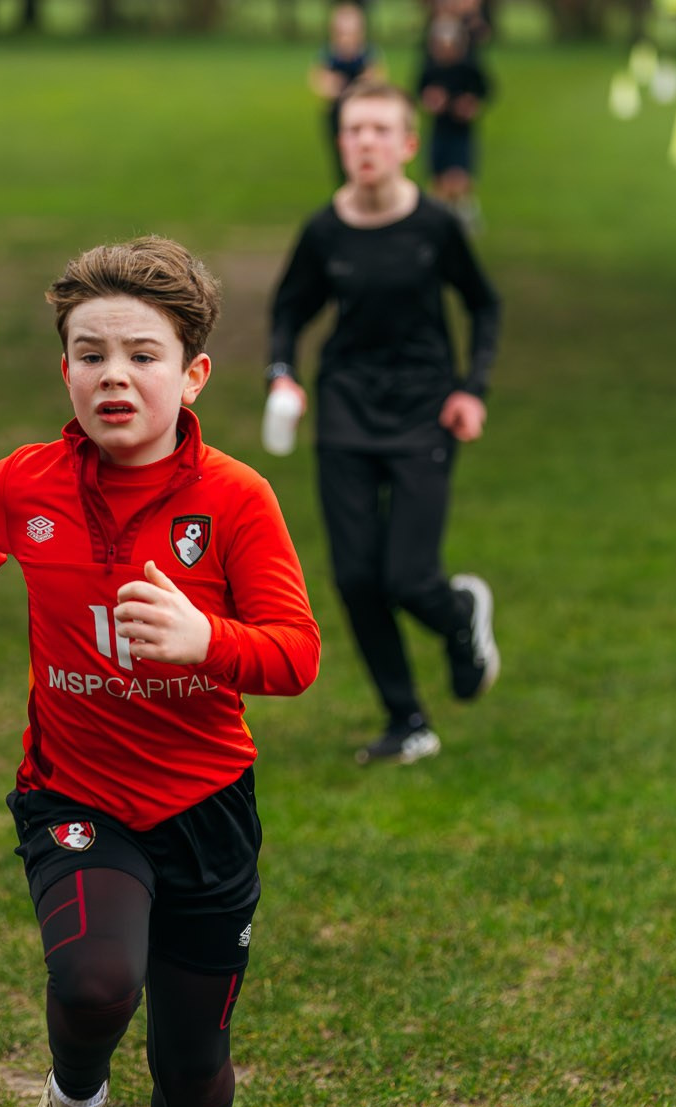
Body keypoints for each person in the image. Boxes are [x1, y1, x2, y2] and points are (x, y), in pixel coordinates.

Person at [0, 237, 320, 1107]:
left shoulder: (234, 500)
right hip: (74, 793)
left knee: (192, 1065)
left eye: (141, 354)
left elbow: (293, 654)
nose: (112, 375)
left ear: (190, 374)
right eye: (88, 353)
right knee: (95, 984)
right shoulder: (25, 482)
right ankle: (70, 1100)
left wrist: (204, 639)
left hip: (206, 811)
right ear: (63, 374)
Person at [266, 81, 501, 767]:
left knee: (407, 575)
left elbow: (485, 306)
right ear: (340, 143)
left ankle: (458, 616)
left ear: (407, 144)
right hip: (345, 411)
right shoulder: (323, 231)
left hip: (425, 409)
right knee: (354, 576)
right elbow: (288, 310)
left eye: (378, 130)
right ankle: (407, 719)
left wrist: (472, 390)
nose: (364, 142)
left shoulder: (435, 225)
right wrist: (282, 372)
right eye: (352, 130)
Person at [416, 12, 492, 227]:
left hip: (461, 129)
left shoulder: (469, 67)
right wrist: (430, 100)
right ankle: (437, 218)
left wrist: (470, 104)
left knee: (458, 177)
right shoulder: (430, 67)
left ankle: (464, 213)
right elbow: (420, 91)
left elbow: (484, 91)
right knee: (438, 180)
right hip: (440, 128)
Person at [311, 2, 384, 183]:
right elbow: (321, 82)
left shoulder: (367, 53)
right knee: (342, 161)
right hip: (338, 114)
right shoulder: (329, 54)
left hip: (364, 114)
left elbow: (377, 79)